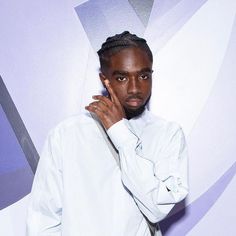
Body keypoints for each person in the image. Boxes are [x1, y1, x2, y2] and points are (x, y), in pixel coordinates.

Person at [26, 31, 188, 236]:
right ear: (105, 80)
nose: (135, 88)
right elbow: (43, 219)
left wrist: (120, 133)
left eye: (144, 76)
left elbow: (158, 207)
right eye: (122, 77)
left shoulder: (168, 134)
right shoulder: (67, 134)